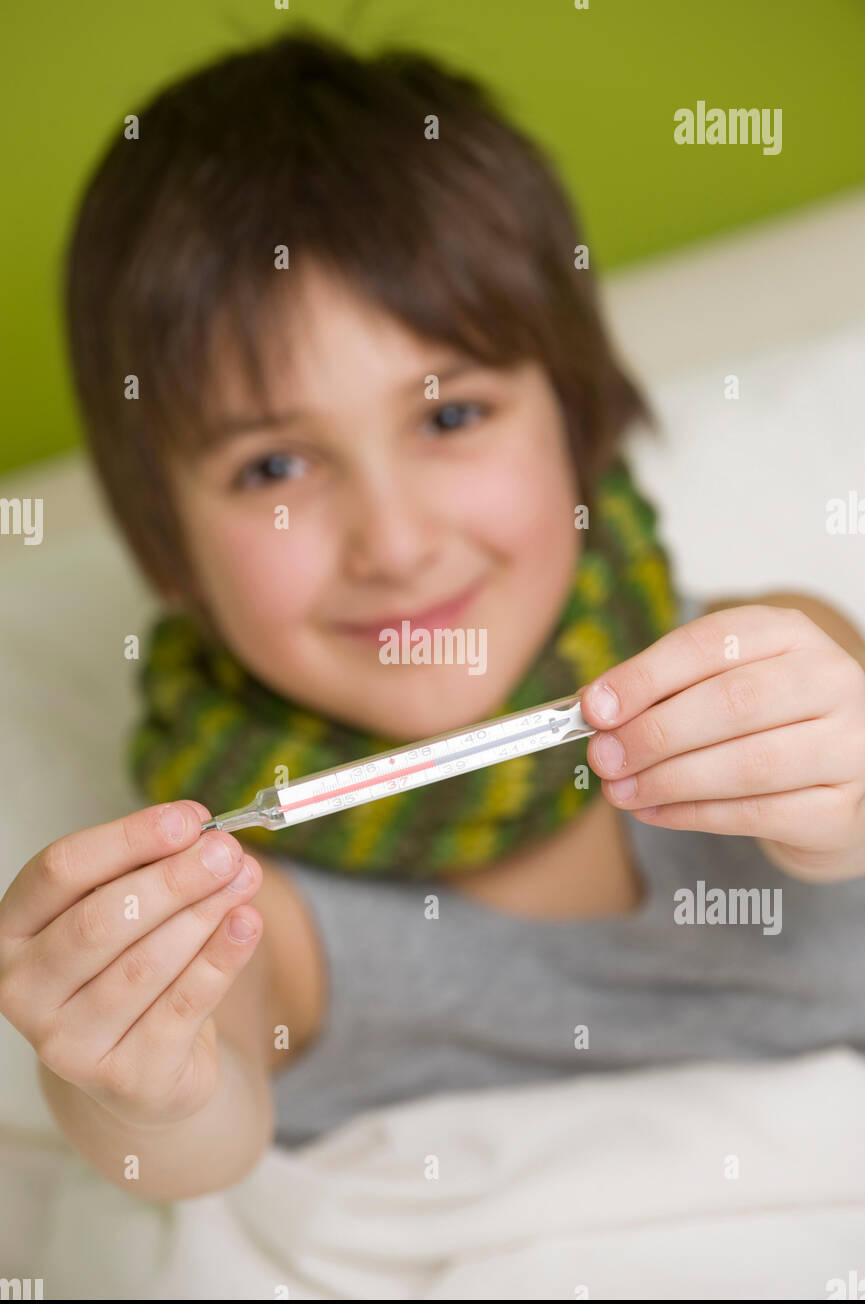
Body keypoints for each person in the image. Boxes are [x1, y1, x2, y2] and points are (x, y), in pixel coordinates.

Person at [1, 30, 864, 1203]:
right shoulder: (261, 912)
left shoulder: (764, 667)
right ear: (169, 551)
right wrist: (124, 1078)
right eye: (272, 470)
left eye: (450, 418)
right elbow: (194, 1128)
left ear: (578, 419)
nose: (395, 543)